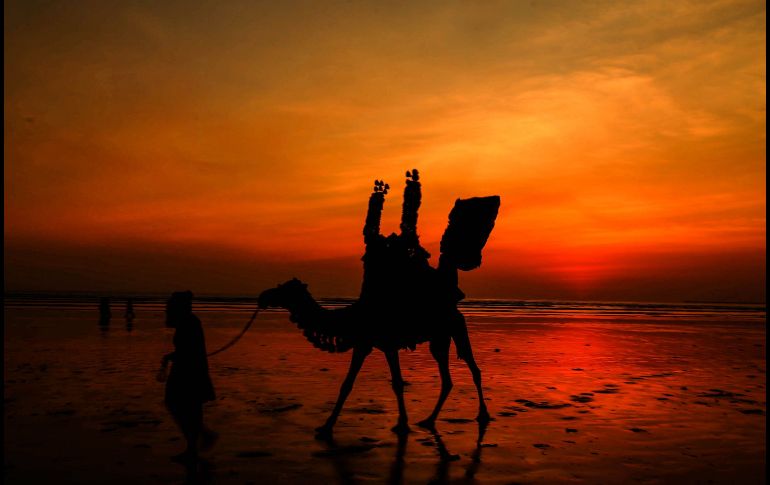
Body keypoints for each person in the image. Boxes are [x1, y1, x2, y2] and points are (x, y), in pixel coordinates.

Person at [160, 291, 217, 464]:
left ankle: (198, 441)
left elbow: (188, 351)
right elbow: (188, 350)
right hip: (190, 370)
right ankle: (196, 444)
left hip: (187, 372)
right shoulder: (190, 322)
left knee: (177, 403)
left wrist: (171, 357)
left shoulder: (188, 323)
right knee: (189, 408)